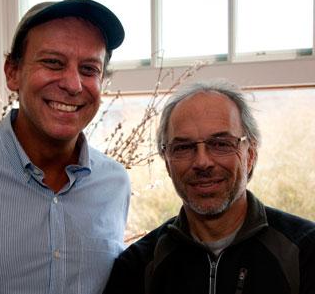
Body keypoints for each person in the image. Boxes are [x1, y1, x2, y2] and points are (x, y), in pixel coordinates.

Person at [0, 0, 130, 294]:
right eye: (53, 62)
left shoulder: (114, 183)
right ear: (12, 72)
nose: (73, 84)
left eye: (89, 69)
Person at [103, 80, 315, 294]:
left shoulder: (304, 251)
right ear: (167, 162)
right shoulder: (138, 265)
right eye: (183, 147)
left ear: (249, 156)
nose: (202, 162)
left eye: (221, 144)